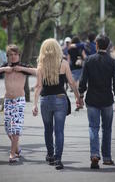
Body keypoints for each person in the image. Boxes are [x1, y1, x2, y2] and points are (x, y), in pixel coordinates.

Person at [32, 38, 81, 170]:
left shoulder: (41, 65)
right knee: (59, 131)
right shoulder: (63, 63)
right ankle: (58, 159)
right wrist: (78, 98)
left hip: (45, 100)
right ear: (57, 49)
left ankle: (50, 155)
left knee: (48, 129)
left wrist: (34, 104)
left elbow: (38, 86)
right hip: (60, 99)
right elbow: (71, 83)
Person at [78, 35, 115, 169]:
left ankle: (95, 154)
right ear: (108, 46)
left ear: (96, 45)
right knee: (107, 129)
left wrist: (80, 96)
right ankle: (107, 158)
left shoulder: (89, 60)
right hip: (107, 100)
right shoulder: (112, 62)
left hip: (92, 99)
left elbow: (83, 81)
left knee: (93, 127)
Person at [0, 44, 37, 163]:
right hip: (8, 100)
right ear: (7, 56)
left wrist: (22, 69)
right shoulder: (5, 67)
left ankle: (12, 154)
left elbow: (37, 72)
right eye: (10, 55)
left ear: (19, 55)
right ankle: (17, 149)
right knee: (7, 128)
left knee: (15, 128)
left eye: (15, 54)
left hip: (19, 100)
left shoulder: (23, 66)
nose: (13, 57)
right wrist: (3, 69)